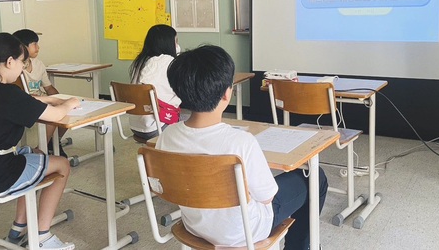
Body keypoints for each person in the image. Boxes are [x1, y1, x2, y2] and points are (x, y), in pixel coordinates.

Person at [156, 45, 328, 248]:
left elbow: (160, 186)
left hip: (194, 226)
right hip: (246, 231)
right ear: (226, 94)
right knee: (315, 178)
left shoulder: (166, 136)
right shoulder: (241, 142)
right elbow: (267, 197)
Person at [0, 33, 79, 250]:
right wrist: (70, 103)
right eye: (22, 62)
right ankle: (42, 236)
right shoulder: (9, 93)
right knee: (62, 165)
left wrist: (42, 100)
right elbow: (57, 116)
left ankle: (18, 229)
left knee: (36, 155)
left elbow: (13, 104)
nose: (22, 68)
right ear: (10, 61)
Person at [12, 29, 67, 157]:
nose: (38, 47)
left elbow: (48, 88)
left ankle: (54, 142)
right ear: (23, 47)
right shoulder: (16, 67)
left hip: (41, 99)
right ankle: (42, 148)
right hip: (28, 102)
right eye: (34, 44)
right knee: (52, 113)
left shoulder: (39, 64)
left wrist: (61, 99)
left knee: (66, 111)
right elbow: (23, 96)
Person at [127, 24, 183, 140]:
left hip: (135, 125)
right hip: (157, 126)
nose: (177, 45)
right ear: (167, 43)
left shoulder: (140, 61)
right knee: (192, 120)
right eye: (175, 41)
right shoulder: (166, 61)